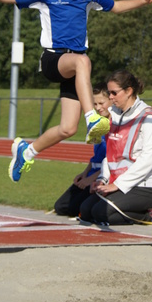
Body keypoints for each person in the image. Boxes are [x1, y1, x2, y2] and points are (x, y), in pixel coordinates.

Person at [0, 0, 152, 183]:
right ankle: (92, 117)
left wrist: (144, 1)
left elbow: (115, 6)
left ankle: (27, 152)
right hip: (54, 59)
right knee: (83, 61)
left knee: (67, 128)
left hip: (75, 68)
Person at [79, 70, 152, 225]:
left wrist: (118, 185)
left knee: (102, 213)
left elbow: (147, 161)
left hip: (146, 187)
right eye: (109, 93)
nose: (110, 97)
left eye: (114, 93)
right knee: (86, 210)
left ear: (129, 91)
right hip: (120, 183)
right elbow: (111, 156)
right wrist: (102, 179)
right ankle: (136, 210)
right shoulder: (113, 116)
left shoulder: (151, 119)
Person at [54, 83, 111, 217]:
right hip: (91, 174)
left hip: (102, 177)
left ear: (111, 100)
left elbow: (111, 161)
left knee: (75, 208)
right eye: (94, 104)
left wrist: (91, 179)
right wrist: (84, 173)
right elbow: (96, 156)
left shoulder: (115, 127)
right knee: (60, 207)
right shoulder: (96, 124)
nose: (98, 108)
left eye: (101, 103)